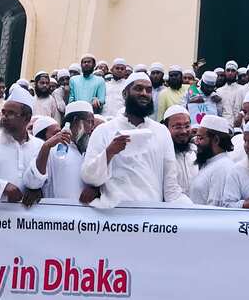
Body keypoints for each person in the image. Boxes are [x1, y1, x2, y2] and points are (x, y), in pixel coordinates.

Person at [81, 72, 190, 207]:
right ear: (125, 94)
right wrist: (109, 152)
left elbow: (171, 188)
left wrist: (195, 213)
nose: (144, 93)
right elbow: (89, 177)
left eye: (148, 90)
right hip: (113, 217)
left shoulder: (161, 132)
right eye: (138, 89)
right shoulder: (103, 131)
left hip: (150, 218)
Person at [0, 84, 44, 205]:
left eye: (11, 113)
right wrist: (2, 187)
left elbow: (48, 181)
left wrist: (37, 190)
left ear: (27, 118)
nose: (4, 117)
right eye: (3, 112)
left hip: (28, 218)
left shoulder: (39, 146)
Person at [37, 100, 94, 200]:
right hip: (57, 213)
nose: (92, 127)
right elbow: (34, 182)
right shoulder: (53, 149)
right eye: (89, 121)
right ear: (76, 121)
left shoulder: (89, 151)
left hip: (85, 214)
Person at [189, 114, 235, 206]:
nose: (196, 142)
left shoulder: (223, 167)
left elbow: (215, 207)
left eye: (200, 138)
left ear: (216, 140)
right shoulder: (209, 162)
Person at [162, 105, 198, 194]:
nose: (183, 131)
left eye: (187, 126)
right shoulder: (161, 155)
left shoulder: (197, 152)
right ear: (166, 128)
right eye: (177, 127)